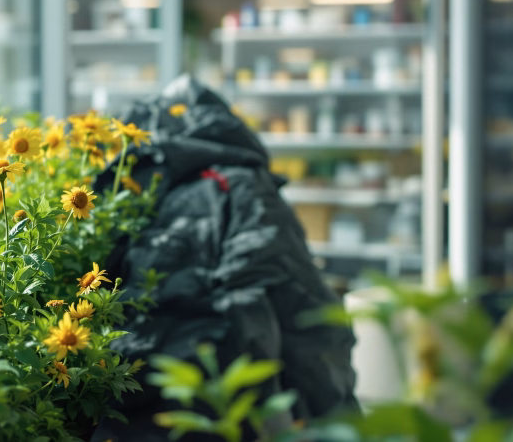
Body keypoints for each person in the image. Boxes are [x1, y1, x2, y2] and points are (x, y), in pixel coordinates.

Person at [90, 75, 358, 441]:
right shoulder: (249, 189)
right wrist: (336, 419)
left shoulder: (130, 190)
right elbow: (306, 313)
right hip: (229, 400)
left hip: (132, 401)